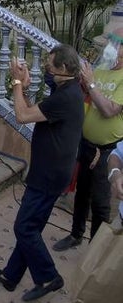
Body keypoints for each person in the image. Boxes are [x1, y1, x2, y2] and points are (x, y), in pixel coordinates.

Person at [0, 45, 84, 301]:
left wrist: (17, 82)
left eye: (50, 65)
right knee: (32, 226)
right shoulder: (66, 90)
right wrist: (26, 88)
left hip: (49, 174)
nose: (47, 69)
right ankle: (11, 275)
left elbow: (21, 115)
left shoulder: (66, 96)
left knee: (24, 227)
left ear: (64, 68)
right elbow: (34, 114)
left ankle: (49, 277)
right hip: (51, 171)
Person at [51, 35, 123, 250]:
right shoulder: (100, 70)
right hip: (86, 144)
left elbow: (109, 110)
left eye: (117, 44)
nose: (111, 47)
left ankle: (96, 247)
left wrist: (90, 83)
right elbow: (88, 99)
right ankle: (76, 234)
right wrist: (83, 82)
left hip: (108, 149)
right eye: (111, 42)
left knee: (100, 201)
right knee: (82, 192)